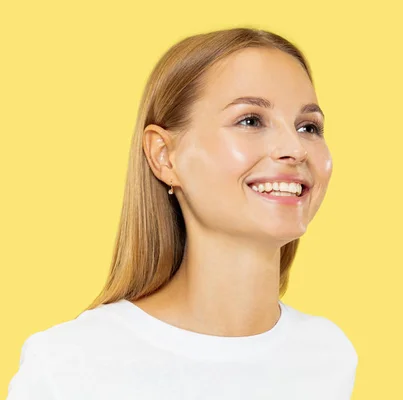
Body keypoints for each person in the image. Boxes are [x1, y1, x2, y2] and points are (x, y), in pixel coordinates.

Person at [6, 27, 358, 399]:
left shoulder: (328, 356)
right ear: (164, 155)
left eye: (309, 127)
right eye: (251, 120)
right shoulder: (70, 366)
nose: (295, 148)